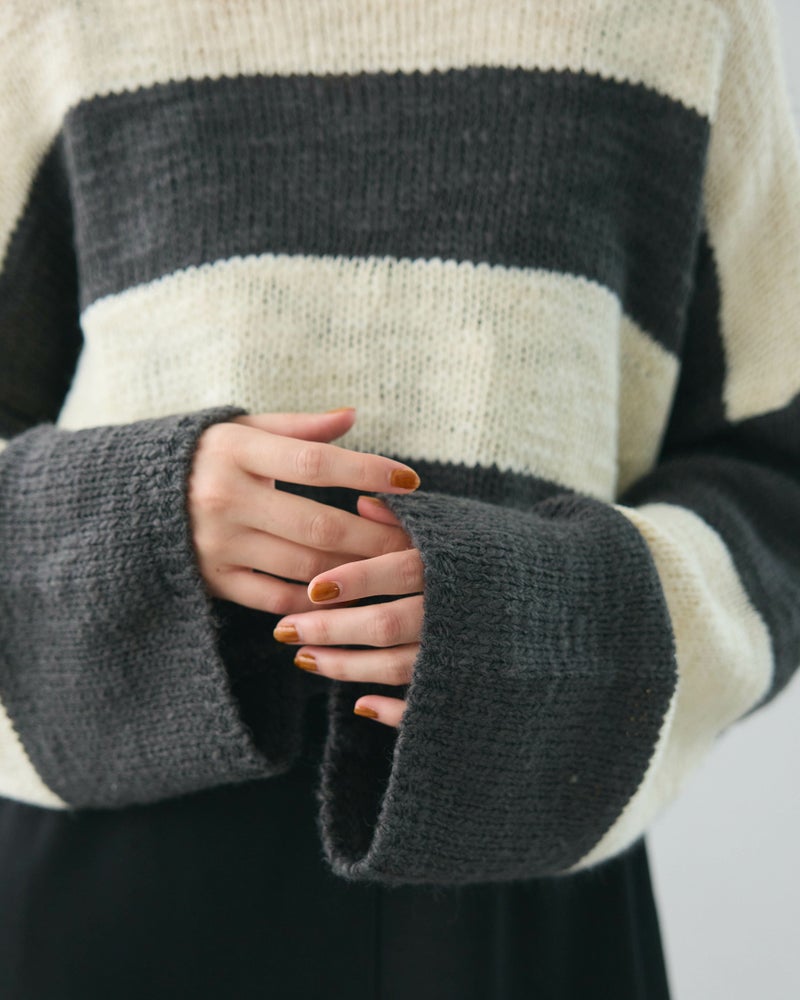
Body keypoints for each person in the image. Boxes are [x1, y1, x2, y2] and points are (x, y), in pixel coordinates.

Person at [0, 1, 798, 997]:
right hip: (110, 850)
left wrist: (551, 613)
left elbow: (775, 469)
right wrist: (130, 516)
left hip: (519, 834)